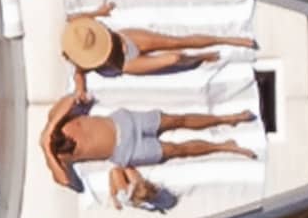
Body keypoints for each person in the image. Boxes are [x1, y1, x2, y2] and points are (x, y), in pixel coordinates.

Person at [39, 80, 256, 191]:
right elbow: (65, 180)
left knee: (176, 120)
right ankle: (225, 146)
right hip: (125, 151)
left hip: (124, 122)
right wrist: (49, 152)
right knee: (177, 151)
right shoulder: (58, 159)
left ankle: (229, 118)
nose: (70, 141)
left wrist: (52, 127)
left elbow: (71, 99)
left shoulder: (56, 119)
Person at [62, 0, 256, 78]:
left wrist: (99, 12)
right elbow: (79, 75)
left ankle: (230, 40)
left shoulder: (77, 30)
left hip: (124, 39)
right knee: (173, 58)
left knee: (177, 41)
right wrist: (80, 92)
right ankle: (200, 57)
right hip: (127, 63)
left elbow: (73, 18)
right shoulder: (81, 61)